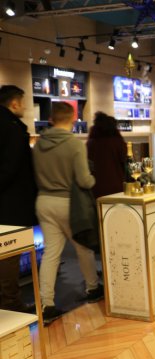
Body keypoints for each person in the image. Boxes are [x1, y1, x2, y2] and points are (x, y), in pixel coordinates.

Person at [32, 102, 103, 325]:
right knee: (83, 246)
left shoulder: (39, 143)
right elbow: (84, 180)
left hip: (44, 201)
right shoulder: (74, 144)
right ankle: (93, 288)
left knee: (51, 253)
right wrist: (93, 178)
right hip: (69, 203)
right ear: (73, 118)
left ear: (51, 119)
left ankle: (46, 303)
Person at [0, 85, 38, 313]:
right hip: (12, 204)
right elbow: (11, 168)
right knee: (10, 254)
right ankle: (11, 302)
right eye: (22, 102)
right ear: (14, 103)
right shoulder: (12, 129)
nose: (24, 107)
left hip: (7, 203)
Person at [87, 111, 127, 199]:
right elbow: (125, 163)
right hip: (116, 186)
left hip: (95, 188)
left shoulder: (91, 143)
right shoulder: (118, 142)